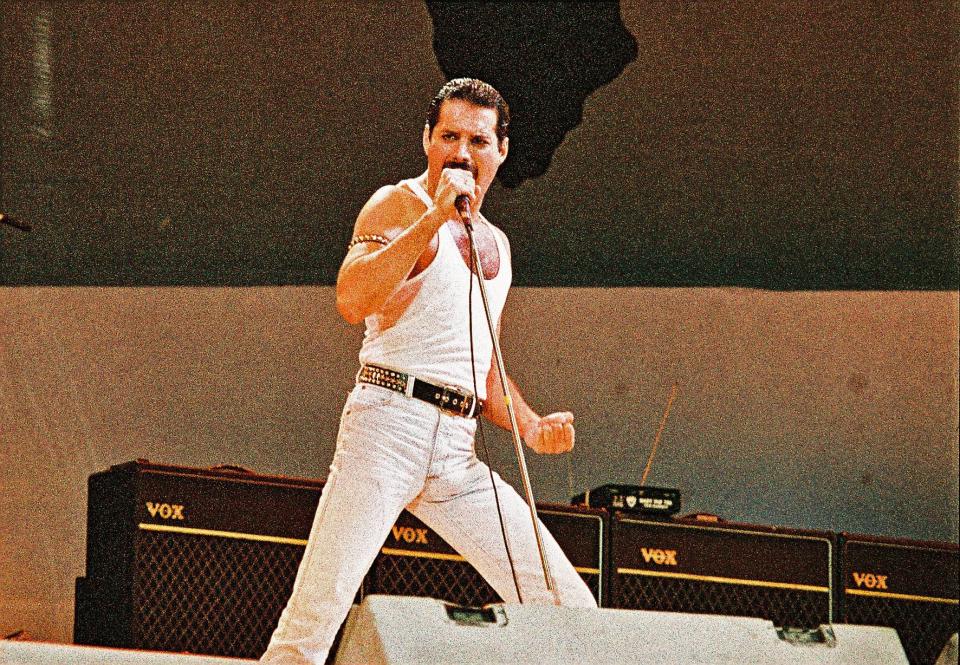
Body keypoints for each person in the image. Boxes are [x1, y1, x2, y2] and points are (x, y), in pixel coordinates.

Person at [261, 78, 596, 664]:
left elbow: (479, 364)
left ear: (502, 151)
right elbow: (351, 297)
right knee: (316, 616)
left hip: (457, 450)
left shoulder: (497, 245)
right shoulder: (397, 203)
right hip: (388, 427)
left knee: (567, 604)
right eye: (449, 136)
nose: (461, 152)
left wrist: (532, 425)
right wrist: (433, 218)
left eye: (478, 140)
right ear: (427, 140)